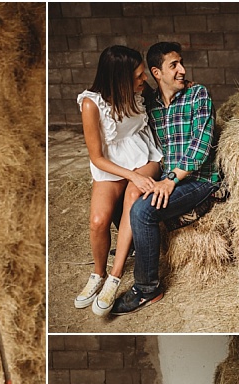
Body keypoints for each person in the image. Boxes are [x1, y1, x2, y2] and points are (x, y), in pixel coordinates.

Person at [111, 41, 222, 316]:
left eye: (181, 63)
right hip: (166, 176)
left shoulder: (198, 95)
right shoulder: (147, 104)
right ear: (156, 73)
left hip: (198, 180)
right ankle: (139, 244)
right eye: (174, 65)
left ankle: (148, 288)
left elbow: (201, 146)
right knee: (120, 193)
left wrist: (170, 179)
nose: (182, 70)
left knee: (142, 211)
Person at [73, 44, 163, 317]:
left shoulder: (139, 91)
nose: (143, 79)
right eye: (137, 76)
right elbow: (97, 157)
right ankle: (98, 274)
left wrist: (185, 84)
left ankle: (114, 276)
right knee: (98, 221)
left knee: (133, 197)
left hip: (144, 155)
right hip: (111, 163)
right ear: (119, 78)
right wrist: (130, 175)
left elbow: (166, 91)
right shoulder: (91, 104)